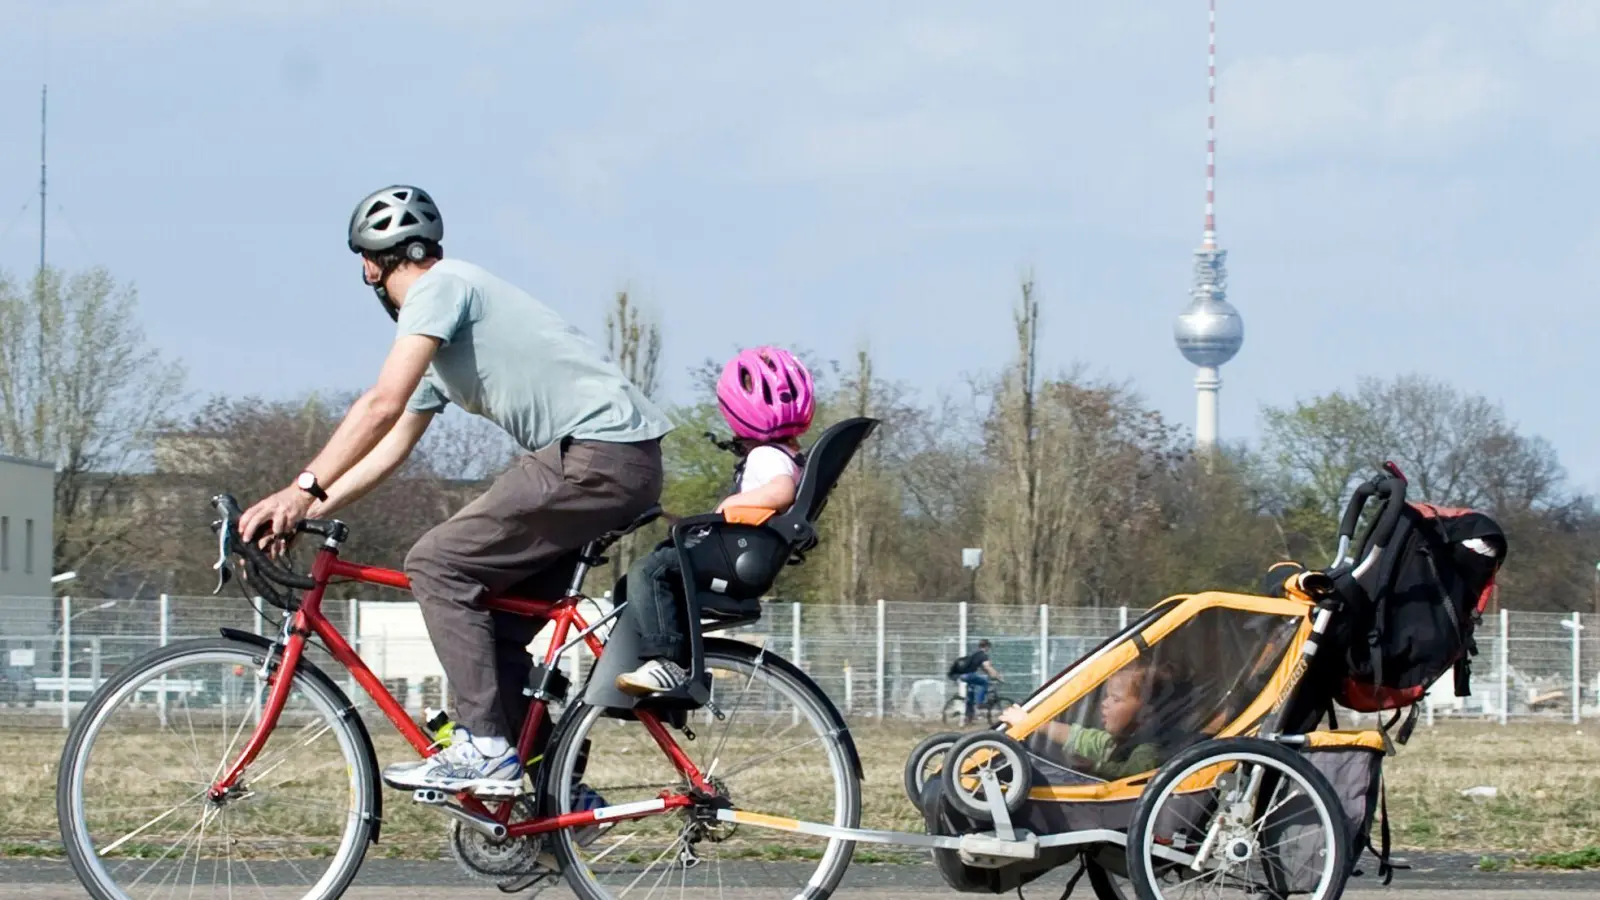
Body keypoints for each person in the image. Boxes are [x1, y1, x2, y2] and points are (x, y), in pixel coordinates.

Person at [238, 185, 673, 796]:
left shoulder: (440, 289)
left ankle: (486, 749)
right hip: (607, 461)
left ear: (370, 265)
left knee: (436, 563)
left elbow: (381, 405)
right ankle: (551, 793)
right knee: (490, 619)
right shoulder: (443, 336)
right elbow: (390, 450)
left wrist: (299, 487)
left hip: (595, 454)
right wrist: (307, 508)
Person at [613, 347, 814, 695]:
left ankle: (665, 661)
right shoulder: (790, 456)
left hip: (732, 555)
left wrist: (730, 504)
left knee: (650, 571)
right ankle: (676, 667)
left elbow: (781, 493)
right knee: (655, 576)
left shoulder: (766, 455)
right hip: (738, 550)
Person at [1000, 663, 1164, 780]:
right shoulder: (1118, 741)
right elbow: (1078, 736)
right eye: (1106, 696)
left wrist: (1094, 767)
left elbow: (1131, 776)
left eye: (1115, 699)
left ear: (1145, 710)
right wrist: (1031, 722)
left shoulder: (1148, 750)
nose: (1104, 703)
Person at [957, 639, 1003, 725]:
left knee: (970, 696)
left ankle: (968, 718)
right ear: (986, 647)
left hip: (963, 675)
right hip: (969, 675)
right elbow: (988, 667)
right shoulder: (983, 655)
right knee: (984, 682)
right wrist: (998, 676)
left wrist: (991, 675)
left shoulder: (975, 654)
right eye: (988, 647)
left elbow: (983, 668)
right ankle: (979, 703)